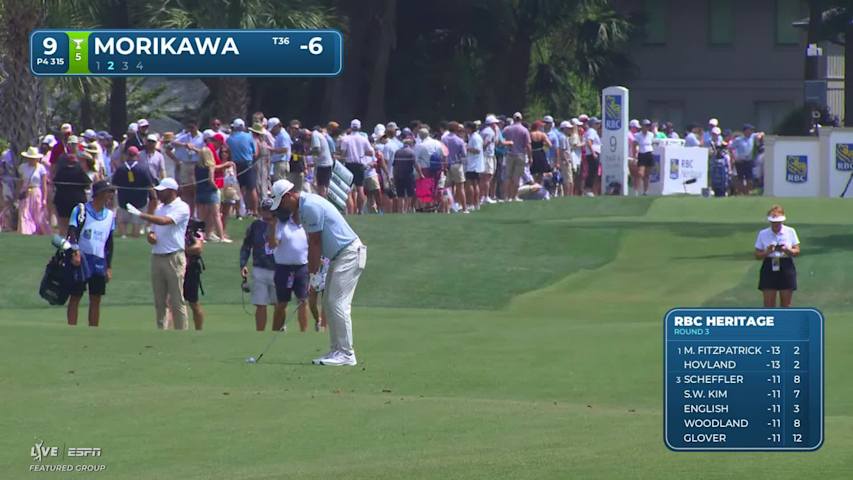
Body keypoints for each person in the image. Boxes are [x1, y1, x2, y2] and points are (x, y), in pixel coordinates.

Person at [270, 179, 366, 366]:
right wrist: (316, 273)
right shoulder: (304, 206)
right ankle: (336, 350)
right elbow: (316, 245)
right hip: (338, 256)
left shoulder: (310, 207)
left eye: (281, 203)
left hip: (349, 254)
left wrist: (312, 276)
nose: (282, 208)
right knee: (330, 304)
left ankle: (347, 353)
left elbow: (315, 244)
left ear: (289, 196)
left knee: (337, 303)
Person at [125, 178, 191, 330]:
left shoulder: (182, 207)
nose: (159, 193)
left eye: (162, 191)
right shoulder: (159, 208)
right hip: (157, 256)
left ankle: (182, 332)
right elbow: (154, 229)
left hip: (174, 256)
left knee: (176, 300)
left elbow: (165, 221)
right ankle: (161, 331)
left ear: (172, 191)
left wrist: (141, 215)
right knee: (159, 300)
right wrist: (151, 236)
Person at [66, 180, 117, 327]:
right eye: (109, 192)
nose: (111, 195)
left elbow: (109, 243)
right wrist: (75, 251)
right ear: (100, 193)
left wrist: (109, 266)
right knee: (75, 295)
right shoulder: (81, 210)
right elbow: (72, 232)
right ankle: (72, 328)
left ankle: (93, 329)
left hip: (99, 260)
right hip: (81, 258)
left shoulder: (109, 215)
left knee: (96, 297)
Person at [265, 192, 310, 333]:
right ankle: (276, 330)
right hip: (284, 269)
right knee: (282, 303)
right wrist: (272, 226)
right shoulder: (278, 226)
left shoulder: (301, 224)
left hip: (301, 268)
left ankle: (304, 332)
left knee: (303, 301)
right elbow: (272, 245)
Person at [240, 199, 280, 331]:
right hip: (259, 268)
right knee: (260, 303)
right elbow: (246, 246)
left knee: (279, 304)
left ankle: (277, 331)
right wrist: (243, 264)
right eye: (265, 209)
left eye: (270, 209)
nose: (268, 212)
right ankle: (260, 333)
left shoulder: (280, 224)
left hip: (278, 268)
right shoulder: (255, 226)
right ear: (261, 210)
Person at [754, 205, 800, 307]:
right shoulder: (763, 233)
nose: (776, 225)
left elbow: (797, 251)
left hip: (786, 264)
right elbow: (757, 254)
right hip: (769, 265)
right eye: (774, 222)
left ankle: (784, 322)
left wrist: (787, 250)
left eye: (778, 222)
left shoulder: (790, 231)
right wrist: (767, 251)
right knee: (769, 304)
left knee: (786, 304)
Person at [111, 146, 155, 238]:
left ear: (127, 155)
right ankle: (134, 236)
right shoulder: (143, 168)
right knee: (137, 222)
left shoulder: (121, 168)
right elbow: (150, 185)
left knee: (122, 221)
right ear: (137, 155)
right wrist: (154, 197)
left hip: (123, 199)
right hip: (140, 201)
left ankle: (123, 236)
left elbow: (114, 184)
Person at [51, 136, 91, 236]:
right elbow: (87, 184)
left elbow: (56, 181)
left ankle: (65, 244)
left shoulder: (62, 169)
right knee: (75, 224)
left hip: (62, 198)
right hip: (77, 199)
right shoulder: (78, 168)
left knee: (64, 225)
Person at [196, 146, 233, 242]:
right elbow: (211, 180)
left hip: (200, 191)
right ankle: (221, 237)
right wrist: (216, 188)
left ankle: (200, 237)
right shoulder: (210, 166)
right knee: (216, 215)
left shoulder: (197, 166)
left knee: (201, 217)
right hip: (210, 192)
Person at [339, 119, 374, 214]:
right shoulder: (363, 139)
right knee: (360, 188)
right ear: (359, 127)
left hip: (349, 165)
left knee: (349, 189)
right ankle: (360, 210)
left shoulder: (345, 139)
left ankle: (350, 210)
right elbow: (371, 152)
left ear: (351, 127)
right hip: (360, 164)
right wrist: (362, 152)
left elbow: (343, 154)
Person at [227, 118, 258, 216]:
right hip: (248, 164)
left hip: (236, 165)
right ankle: (254, 211)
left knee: (237, 189)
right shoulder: (249, 136)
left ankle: (238, 213)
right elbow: (255, 152)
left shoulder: (229, 139)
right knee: (252, 188)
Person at [17, 147, 51, 235]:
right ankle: (25, 231)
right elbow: (20, 181)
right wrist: (19, 192)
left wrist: (45, 198)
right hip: (25, 192)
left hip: (36, 191)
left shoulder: (41, 168)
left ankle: (37, 231)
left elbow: (44, 184)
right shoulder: (23, 167)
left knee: (37, 213)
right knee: (24, 212)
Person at [503, 112, 532, 202]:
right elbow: (528, 145)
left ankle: (506, 197)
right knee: (517, 177)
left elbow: (501, 140)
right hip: (520, 154)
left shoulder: (507, 129)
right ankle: (514, 196)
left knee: (508, 176)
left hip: (509, 154)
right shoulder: (524, 130)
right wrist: (530, 157)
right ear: (521, 119)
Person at [183, 219, 206, 330]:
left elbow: (198, 248)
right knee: (171, 302)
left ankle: (198, 331)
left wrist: (179, 250)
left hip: (190, 269)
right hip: (173, 268)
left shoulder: (194, 230)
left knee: (193, 303)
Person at [729, 124, 763, 196]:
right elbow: (730, 148)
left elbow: (762, 133)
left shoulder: (753, 136)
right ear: (745, 131)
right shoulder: (738, 140)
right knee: (740, 179)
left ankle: (748, 193)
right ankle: (741, 193)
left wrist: (759, 136)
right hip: (740, 161)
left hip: (749, 161)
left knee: (749, 179)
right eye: (749, 130)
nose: (751, 131)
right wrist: (735, 158)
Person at [443, 122, 468, 213]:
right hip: (457, 164)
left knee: (447, 188)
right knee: (460, 187)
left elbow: (443, 152)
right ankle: (464, 208)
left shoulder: (444, 139)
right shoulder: (459, 140)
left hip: (447, 164)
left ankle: (447, 208)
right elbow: (464, 154)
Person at [392, 132, 420, 213]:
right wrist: (420, 174)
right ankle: (407, 209)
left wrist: (394, 176)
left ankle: (401, 210)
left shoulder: (397, 152)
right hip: (409, 176)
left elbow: (394, 166)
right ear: (410, 144)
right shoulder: (411, 152)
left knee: (400, 194)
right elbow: (415, 165)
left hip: (398, 175)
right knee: (409, 194)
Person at [464, 121, 484, 211]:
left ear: (470, 128)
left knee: (471, 184)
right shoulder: (473, 137)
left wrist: (467, 148)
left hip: (473, 164)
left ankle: (472, 203)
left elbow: (477, 150)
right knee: (475, 184)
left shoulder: (475, 138)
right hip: (474, 164)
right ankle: (476, 204)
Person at [479, 115, 498, 204]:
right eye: (495, 123)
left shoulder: (483, 131)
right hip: (487, 156)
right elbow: (485, 143)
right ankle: (485, 196)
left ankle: (482, 196)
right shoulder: (490, 132)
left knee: (484, 178)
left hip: (484, 156)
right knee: (487, 177)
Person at [633, 119, 655, 196]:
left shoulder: (651, 134)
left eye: (648, 126)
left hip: (649, 153)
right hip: (642, 153)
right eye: (646, 126)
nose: (647, 127)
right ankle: (636, 190)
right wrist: (634, 156)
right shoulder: (637, 135)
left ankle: (645, 191)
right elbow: (634, 145)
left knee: (647, 174)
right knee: (640, 173)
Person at [311, 124, 334, 198]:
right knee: (325, 187)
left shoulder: (314, 135)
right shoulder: (322, 136)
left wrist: (307, 153)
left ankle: (322, 202)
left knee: (321, 187)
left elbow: (317, 150)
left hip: (323, 164)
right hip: (328, 164)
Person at [582, 117, 602, 196]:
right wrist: (593, 152)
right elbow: (589, 142)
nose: (599, 125)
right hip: (593, 154)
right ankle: (588, 189)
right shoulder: (592, 131)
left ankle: (589, 189)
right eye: (597, 123)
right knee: (592, 172)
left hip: (592, 153)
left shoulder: (592, 131)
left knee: (593, 171)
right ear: (593, 124)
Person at [269, 117, 291, 182]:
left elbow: (285, 149)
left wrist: (272, 150)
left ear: (277, 126)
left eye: (273, 129)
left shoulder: (283, 135)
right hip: (279, 163)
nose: (272, 131)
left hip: (281, 163)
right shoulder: (279, 135)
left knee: (280, 183)